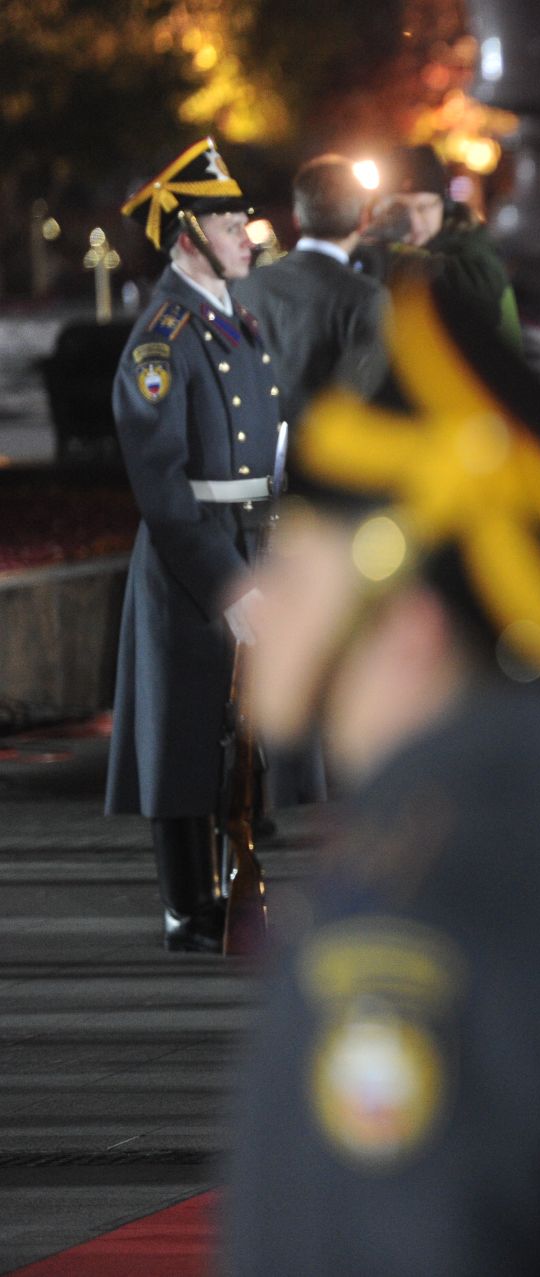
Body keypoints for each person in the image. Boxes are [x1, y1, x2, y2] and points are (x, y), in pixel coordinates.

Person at [222, 279, 540, 1273]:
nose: (250, 596)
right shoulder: (529, 854)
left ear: (408, 626)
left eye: (292, 565)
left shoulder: (426, 908)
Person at [107, 137, 313, 953]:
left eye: (242, 218)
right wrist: (231, 584)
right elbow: (160, 484)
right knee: (185, 727)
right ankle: (190, 904)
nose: (246, 234)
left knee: (247, 725)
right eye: (229, 221)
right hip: (195, 555)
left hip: (253, 537)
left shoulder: (234, 317)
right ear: (188, 235)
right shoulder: (163, 337)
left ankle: (238, 886)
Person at [231, 154, 387, 431]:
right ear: (363, 219)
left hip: (254, 461)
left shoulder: (246, 286)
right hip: (324, 465)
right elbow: (367, 397)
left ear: (297, 218)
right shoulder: (366, 297)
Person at [368, 144, 521, 352]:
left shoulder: (473, 242)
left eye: (423, 208)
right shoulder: (377, 243)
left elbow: (478, 293)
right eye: (400, 209)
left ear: (444, 205)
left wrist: (387, 257)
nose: (415, 223)